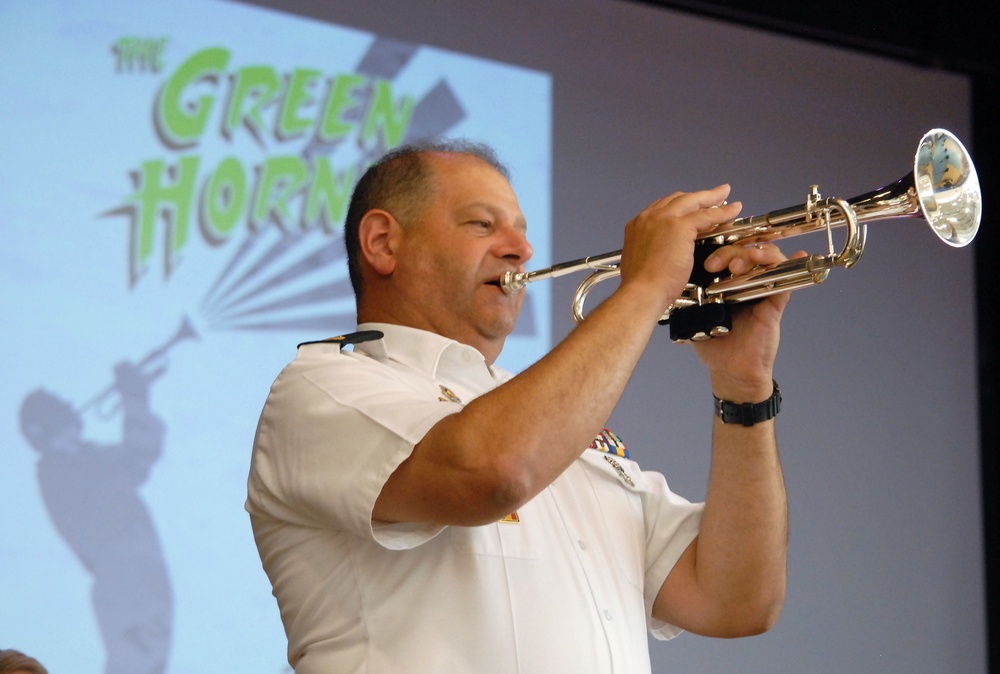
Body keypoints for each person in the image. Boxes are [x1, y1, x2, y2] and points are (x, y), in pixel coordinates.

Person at [246, 139, 791, 673]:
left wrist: (743, 386)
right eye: (482, 225)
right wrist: (647, 285)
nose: (520, 250)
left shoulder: (545, 414)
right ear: (384, 242)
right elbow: (493, 472)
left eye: (522, 232)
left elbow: (736, 601)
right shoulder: (323, 385)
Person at [20, 362, 173, 674]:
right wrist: (133, 402)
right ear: (43, 430)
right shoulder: (56, 471)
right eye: (58, 410)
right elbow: (129, 469)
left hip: (144, 577)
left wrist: (136, 401)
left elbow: (140, 456)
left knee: (151, 665)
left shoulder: (83, 457)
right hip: (124, 582)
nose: (70, 408)